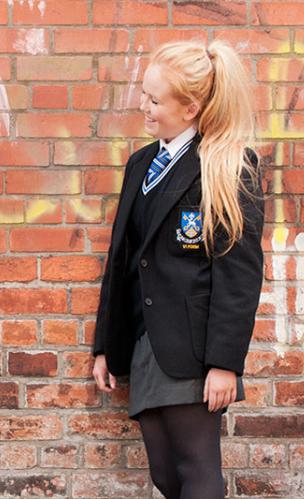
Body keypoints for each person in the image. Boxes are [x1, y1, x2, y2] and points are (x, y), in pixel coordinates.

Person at [91, 40, 264, 498]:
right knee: (166, 475)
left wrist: (225, 364)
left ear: (190, 108)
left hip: (193, 347)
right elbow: (121, 260)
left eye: (155, 99)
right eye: (144, 94)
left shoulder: (228, 164)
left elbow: (239, 273)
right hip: (145, 343)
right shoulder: (141, 163)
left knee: (197, 472)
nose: (143, 106)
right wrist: (105, 345)